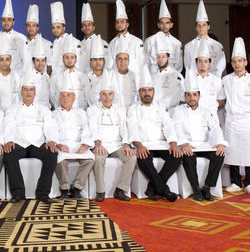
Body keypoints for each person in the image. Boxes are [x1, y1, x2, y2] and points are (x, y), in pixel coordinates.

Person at [4, 67, 59, 204]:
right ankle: (18, 193)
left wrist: (51, 141)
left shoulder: (43, 109)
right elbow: (9, 125)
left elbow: (50, 126)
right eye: (26, 89)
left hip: (37, 144)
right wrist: (9, 141)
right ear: (21, 92)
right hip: (19, 143)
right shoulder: (12, 108)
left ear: (35, 92)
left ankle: (43, 192)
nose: (28, 93)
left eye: (31, 90)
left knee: (52, 153)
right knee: (9, 153)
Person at [127, 65, 181, 202]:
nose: (147, 93)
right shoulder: (133, 109)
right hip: (144, 144)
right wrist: (139, 146)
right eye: (144, 90)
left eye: (149, 90)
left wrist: (173, 144)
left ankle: (153, 187)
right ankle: (165, 191)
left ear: (153, 92)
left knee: (176, 156)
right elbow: (132, 128)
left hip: (161, 144)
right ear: (139, 93)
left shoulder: (160, 108)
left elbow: (169, 125)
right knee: (144, 158)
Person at [173, 71, 227, 201]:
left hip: (204, 145)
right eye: (189, 95)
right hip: (189, 145)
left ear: (199, 96)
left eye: (195, 95)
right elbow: (177, 129)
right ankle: (196, 188)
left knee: (220, 154)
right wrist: (184, 143)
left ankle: (207, 187)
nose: (192, 98)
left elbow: (215, 128)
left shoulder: (206, 111)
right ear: (185, 96)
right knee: (188, 155)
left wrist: (220, 143)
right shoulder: (178, 111)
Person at [223, 37, 250, 195]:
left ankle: (249, 182)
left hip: (247, 121)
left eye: (240, 61)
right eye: (234, 61)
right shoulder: (226, 80)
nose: (237, 64)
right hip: (232, 121)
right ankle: (235, 182)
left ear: (245, 62)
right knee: (232, 151)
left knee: (249, 152)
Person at [87, 74, 136, 202]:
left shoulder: (121, 109)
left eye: (110, 94)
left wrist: (126, 144)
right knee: (98, 157)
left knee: (132, 157)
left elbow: (124, 128)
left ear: (114, 95)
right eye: (104, 94)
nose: (107, 97)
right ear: (100, 95)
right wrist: (97, 144)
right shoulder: (92, 109)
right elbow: (92, 128)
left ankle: (120, 190)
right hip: (101, 144)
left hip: (117, 145)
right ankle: (100, 191)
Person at [53, 75, 94, 200]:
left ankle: (76, 187)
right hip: (61, 144)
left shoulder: (81, 113)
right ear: (60, 98)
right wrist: (59, 145)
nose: (66, 98)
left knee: (90, 159)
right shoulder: (54, 114)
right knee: (60, 159)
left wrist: (85, 145)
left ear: (74, 98)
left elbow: (87, 130)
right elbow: (51, 132)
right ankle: (64, 188)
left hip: (77, 144)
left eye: (68, 95)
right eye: (63, 95)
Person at [184, 0, 226, 78]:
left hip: (213, 81)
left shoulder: (218, 46)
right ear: (196, 27)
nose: (201, 27)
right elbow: (188, 66)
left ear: (208, 26)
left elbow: (221, 65)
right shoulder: (188, 46)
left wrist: (213, 79)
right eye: (199, 25)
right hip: (195, 81)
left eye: (204, 25)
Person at [108, 0, 148, 75]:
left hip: (133, 80)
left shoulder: (136, 42)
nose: (119, 24)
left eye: (122, 21)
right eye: (117, 22)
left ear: (127, 24)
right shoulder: (111, 44)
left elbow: (143, 64)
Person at [0, 0, 28, 74]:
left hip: (15, 74)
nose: (6, 23)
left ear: (13, 22)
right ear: (1, 21)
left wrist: (22, 76)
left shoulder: (21, 37)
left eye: (9, 20)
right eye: (4, 20)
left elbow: (26, 60)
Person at [50, 34, 89, 110]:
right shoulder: (55, 77)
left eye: (72, 57)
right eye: (67, 57)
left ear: (76, 59)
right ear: (63, 60)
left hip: (79, 115)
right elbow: (52, 97)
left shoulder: (84, 77)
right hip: (60, 115)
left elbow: (87, 97)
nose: (70, 60)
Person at [144, 0, 183, 73]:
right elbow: (145, 61)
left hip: (171, 75)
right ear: (158, 25)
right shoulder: (149, 40)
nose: (164, 26)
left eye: (167, 23)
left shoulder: (177, 43)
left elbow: (179, 63)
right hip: (153, 75)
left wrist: (172, 75)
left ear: (171, 25)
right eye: (162, 23)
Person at [0, 34, 23, 111]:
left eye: (7, 59)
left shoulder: (18, 77)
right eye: (2, 60)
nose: (4, 62)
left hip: (14, 114)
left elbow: (21, 98)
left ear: (11, 61)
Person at [151, 32, 185, 110]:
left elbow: (173, 98)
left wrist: (156, 106)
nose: (160, 59)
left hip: (168, 113)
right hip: (153, 113)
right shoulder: (152, 75)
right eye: (158, 57)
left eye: (163, 56)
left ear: (169, 58)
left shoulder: (176, 75)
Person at [49, 1, 83, 75]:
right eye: (53, 27)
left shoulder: (73, 41)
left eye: (58, 27)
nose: (55, 30)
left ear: (64, 28)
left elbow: (79, 65)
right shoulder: (54, 43)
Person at [193, 39, 225, 115]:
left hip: (212, 116)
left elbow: (222, 100)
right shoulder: (190, 79)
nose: (202, 64)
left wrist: (212, 108)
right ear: (196, 63)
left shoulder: (217, 80)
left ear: (210, 63)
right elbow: (183, 99)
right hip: (195, 116)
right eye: (200, 61)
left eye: (206, 61)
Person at [80, 3, 112, 73]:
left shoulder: (102, 43)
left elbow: (108, 64)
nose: (87, 27)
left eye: (89, 25)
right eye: (84, 25)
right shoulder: (80, 44)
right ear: (82, 29)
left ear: (93, 27)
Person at [110, 39, 139, 108]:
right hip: (115, 111)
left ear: (129, 61)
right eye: (120, 59)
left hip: (132, 111)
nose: (123, 62)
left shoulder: (136, 76)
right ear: (116, 61)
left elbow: (139, 97)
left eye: (125, 59)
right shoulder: (109, 76)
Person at [24, 4, 52, 75]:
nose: (31, 28)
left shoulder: (47, 44)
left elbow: (49, 67)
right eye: (29, 25)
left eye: (33, 25)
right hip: (25, 80)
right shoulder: (22, 43)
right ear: (26, 27)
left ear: (37, 28)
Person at [85, 34, 108, 105]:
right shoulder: (85, 77)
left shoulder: (109, 76)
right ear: (91, 62)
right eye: (95, 59)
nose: (98, 62)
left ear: (104, 62)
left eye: (100, 59)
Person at [30, 37, 51, 109]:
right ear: (33, 62)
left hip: (46, 111)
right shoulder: (29, 77)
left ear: (45, 61)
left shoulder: (47, 77)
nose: (40, 63)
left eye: (42, 60)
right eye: (37, 60)